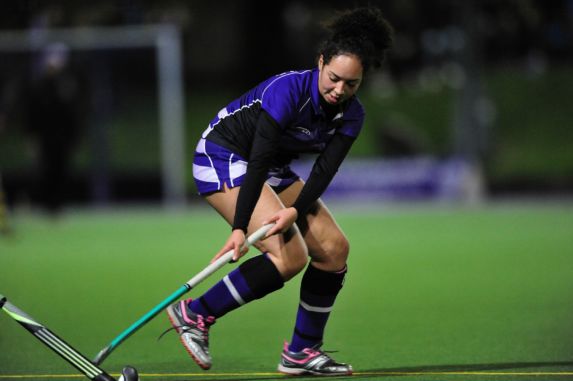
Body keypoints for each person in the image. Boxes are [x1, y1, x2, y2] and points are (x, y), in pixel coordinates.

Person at [166, 7, 393, 376]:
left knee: (334, 250)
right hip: (225, 155)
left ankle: (302, 352)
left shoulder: (353, 115)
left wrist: (296, 209)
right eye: (334, 78)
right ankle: (194, 313)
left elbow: (325, 169)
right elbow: (257, 159)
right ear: (320, 62)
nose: (339, 91)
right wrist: (239, 228)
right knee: (289, 257)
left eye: (351, 84)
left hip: (271, 167)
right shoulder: (287, 90)